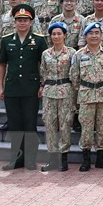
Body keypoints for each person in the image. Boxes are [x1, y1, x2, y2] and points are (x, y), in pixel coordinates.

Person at [0, 4, 47, 170]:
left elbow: (44, 64)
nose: (22, 23)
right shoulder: (6, 40)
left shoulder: (39, 40)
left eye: (25, 20)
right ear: (14, 22)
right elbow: (2, 64)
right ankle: (16, 159)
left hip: (31, 89)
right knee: (15, 125)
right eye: (19, 20)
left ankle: (30, 159)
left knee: (30, 124)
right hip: (12, 89)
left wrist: (42, 84)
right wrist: (0, 86)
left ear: (31, 22)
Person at [70, 22, 103, 171]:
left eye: (97, 33)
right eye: (91, 33)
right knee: (86, 129)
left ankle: (101, 158)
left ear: (101, 36)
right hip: (86, 96)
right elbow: (74, 77)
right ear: (85, 36)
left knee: (102, 128)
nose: (94, 36)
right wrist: (82, 91)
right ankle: (86, 159)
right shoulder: (78, 55)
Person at [39, 21, 76, 172]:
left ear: (65, 35)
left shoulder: (72, 53)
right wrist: (42, 87)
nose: (56, 36)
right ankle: (52, 158)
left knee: (65, 124)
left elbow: (74, 74)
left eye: (59, 33)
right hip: (49, 91)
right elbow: (43, 72)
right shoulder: (45, 54)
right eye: (53, 34)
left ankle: (64, 158)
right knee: (50, 124)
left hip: (66, 90)